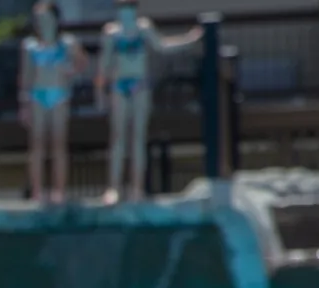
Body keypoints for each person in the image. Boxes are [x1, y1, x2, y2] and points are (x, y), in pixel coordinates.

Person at [95, 0, 204, 204]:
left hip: (139, 85)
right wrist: (100, 94)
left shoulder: (143, 28)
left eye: (129, 8)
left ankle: (137, 188)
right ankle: (114, 188)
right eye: (122, 8)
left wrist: (189, 39)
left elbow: (162, 46)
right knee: (118, 138)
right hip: (120, 86)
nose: (126, 13)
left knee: (138, 138)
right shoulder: (111, 33)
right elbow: (104, 65)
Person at [18, 1, 87, 204]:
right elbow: (26, 76)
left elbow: (82, 62)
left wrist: (71, 72)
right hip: (38, 95)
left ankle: (59, 190)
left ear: (56, 20)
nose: (43, 23)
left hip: (59, 95)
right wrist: (24, 104)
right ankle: (38, 190)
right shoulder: (31, 46)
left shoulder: (66, 43)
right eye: (39, 20)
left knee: (58, 144)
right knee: (37, 145)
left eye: (46, 19)